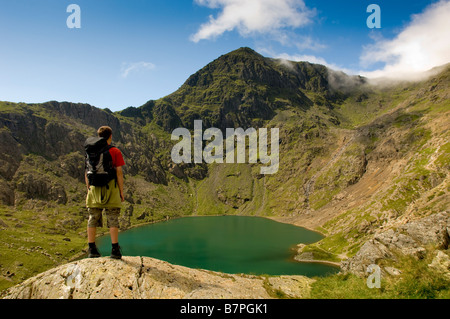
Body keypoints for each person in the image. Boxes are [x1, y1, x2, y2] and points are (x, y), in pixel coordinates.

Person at [85, 126, 125, 259]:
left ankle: (92, 249)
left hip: (94, 189)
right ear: (110, 136)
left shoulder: (90, 151)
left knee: (93, 218)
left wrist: (89, 189)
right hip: (110, 188)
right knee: (113, 217)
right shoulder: (114, 151)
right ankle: (115, 250)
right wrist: (121, 191)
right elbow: (119, 172)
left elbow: (87, 172)